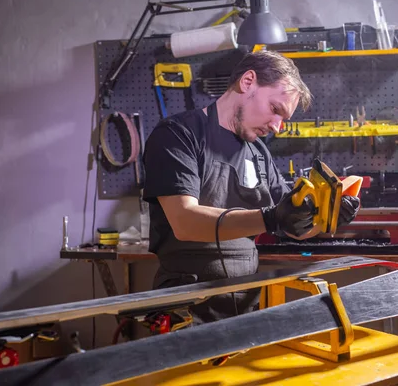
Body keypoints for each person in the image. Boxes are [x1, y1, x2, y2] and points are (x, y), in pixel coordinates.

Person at [142, 51, 360, 324]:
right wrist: (270, 218)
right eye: (275, 109)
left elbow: (293, 226)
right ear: (247, 82)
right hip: (185, 304)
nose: (278, 127)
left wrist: (326, 219)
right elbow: (185, 222)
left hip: (244, 304)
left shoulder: (258, 152)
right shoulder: (178, 135)